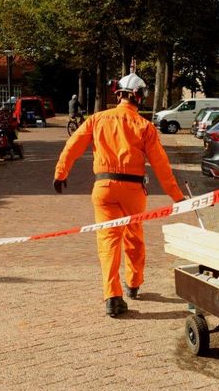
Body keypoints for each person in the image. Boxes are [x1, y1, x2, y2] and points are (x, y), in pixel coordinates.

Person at [53, 73, 185, 317]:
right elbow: (161, 166)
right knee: (134, 237)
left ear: (119, 95)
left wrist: (60, 174)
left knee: (108, 241)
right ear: (139, 97)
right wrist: (177, 197)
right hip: (133, 191)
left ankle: (112, 297)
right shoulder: (144, 127)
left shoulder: (97, 119)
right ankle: (133, 284)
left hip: (103, 189)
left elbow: (73, 146)